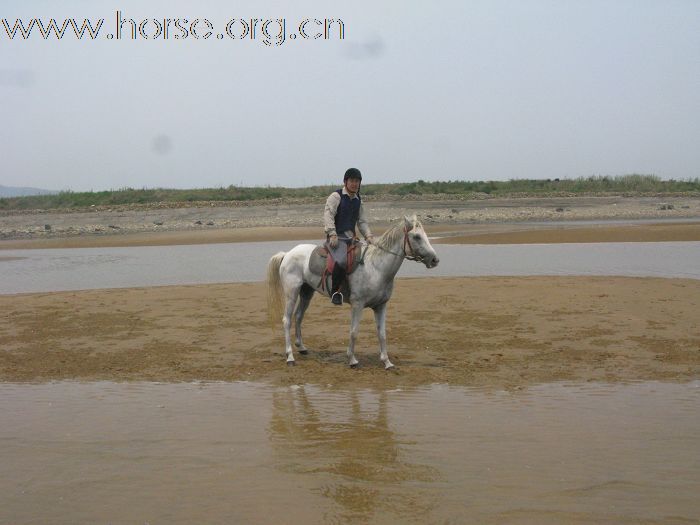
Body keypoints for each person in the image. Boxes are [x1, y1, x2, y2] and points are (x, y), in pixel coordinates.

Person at [324, 168, 375, 305]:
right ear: (346, 181)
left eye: (357, 181)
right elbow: (328, 215)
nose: (354, 184)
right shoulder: (336, 196)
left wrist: (368, 235)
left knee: (367, 258)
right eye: (352, 180)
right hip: (337, 238)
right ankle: (335, 292)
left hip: (351, 238)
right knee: (341, 261)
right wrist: (332, 234)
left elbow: (362, 222)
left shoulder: (358, 200)